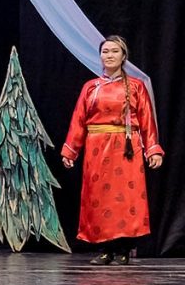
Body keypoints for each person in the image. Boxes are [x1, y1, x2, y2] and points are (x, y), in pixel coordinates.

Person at [61, 35, 163, 265]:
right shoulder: (91, 87)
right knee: (100, 198)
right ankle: (106, 249)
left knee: (126, 198)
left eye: (115, 51)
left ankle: (124, 249)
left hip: (126, 148)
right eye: (105, 51)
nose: (109, 55)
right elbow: (78, 120)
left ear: (124, 56)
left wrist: (153, 149)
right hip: (97, 148)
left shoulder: (136, 86)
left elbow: (147, 120)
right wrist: (70, 150)